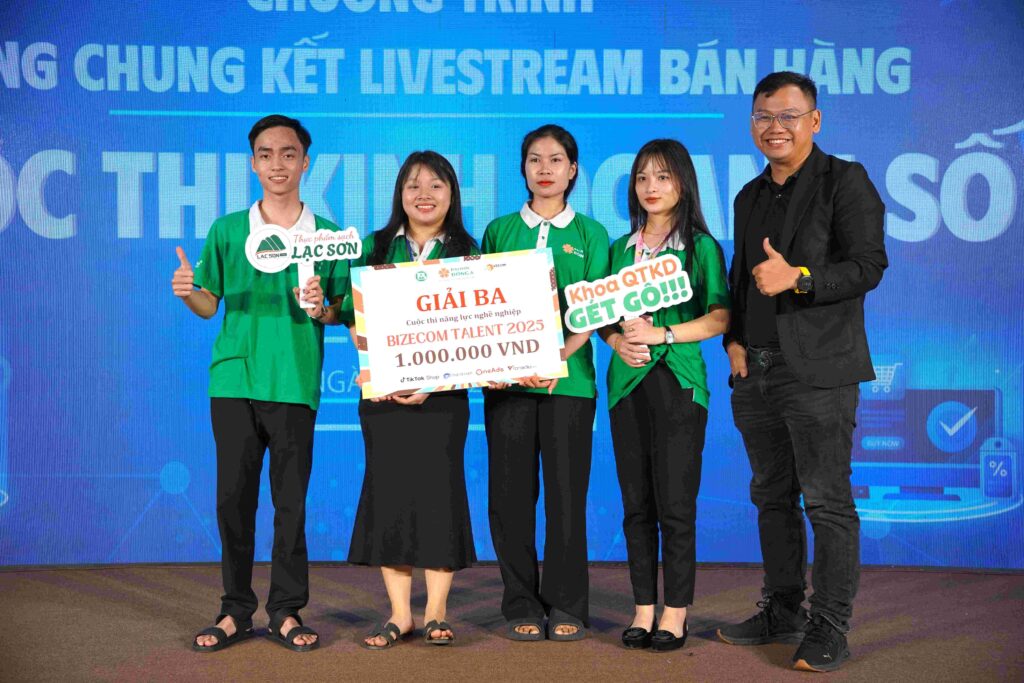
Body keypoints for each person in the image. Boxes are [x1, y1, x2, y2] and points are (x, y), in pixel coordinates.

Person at [715, 72, 888, 672]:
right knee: (771, 498)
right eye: (764, 116)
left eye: (789, 116)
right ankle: (782, 609)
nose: (775, 127)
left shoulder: (845, 180)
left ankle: (830, 625)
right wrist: (733, 341)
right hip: (755, 372)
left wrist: (801, 279)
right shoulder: (748, 195)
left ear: (814, 121)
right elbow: (741, 280)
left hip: (818, 372)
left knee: (827, 502)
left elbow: (869, 266)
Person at [173, 115, 349, 653]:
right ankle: (235, 610)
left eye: (288, 154)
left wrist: (322, 308)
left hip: (294, 380)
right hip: (234, 379)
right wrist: (188, 290)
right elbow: (209, 305)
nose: (278, 164)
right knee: (234, 500)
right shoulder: (228, 229)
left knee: (290, 504)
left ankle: (286, 611)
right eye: (266, 154)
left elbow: (340, 311)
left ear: (305, 162)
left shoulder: (327, 235)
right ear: (253, 163)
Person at [341, 151, 478, 650]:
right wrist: (382, 371)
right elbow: (356, 321)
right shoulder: (374, 247)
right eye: (413, 185)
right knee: (391, 496)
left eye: (436, 185)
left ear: (451, 194)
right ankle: (400, 615)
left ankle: (437, 612)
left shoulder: (469, 252)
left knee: (440, 497)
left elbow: (476, 330)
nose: (424, 195)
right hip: (384, 396)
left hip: (444, 399)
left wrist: (436, 380)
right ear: (399, 193)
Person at [482, 124, 610, 641]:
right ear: (523, 168)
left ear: (573, 169)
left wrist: (555, 357)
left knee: (565, 499)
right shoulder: (499, 230)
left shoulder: (592, 235)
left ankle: (567, 604)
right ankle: (520, 602)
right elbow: (483, 306)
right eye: (535, 159)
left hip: (569, 386)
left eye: (556, 160)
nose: (545, 169)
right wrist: (500, 365)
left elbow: (594, 313)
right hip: (507, 388)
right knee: (510, 499)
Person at [601, 139, 730, 652]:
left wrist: (663, 334)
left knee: (675, 505)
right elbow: (600, 316)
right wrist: (617, 342)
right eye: (642, 178)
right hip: (626, 384)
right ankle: (642, 609)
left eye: (662, 176)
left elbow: (720, 317)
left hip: (679, 382)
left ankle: (675, 613)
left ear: (683, 183)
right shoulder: (619, 248)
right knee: (636, 505)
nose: (650, 187)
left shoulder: (700, 247)